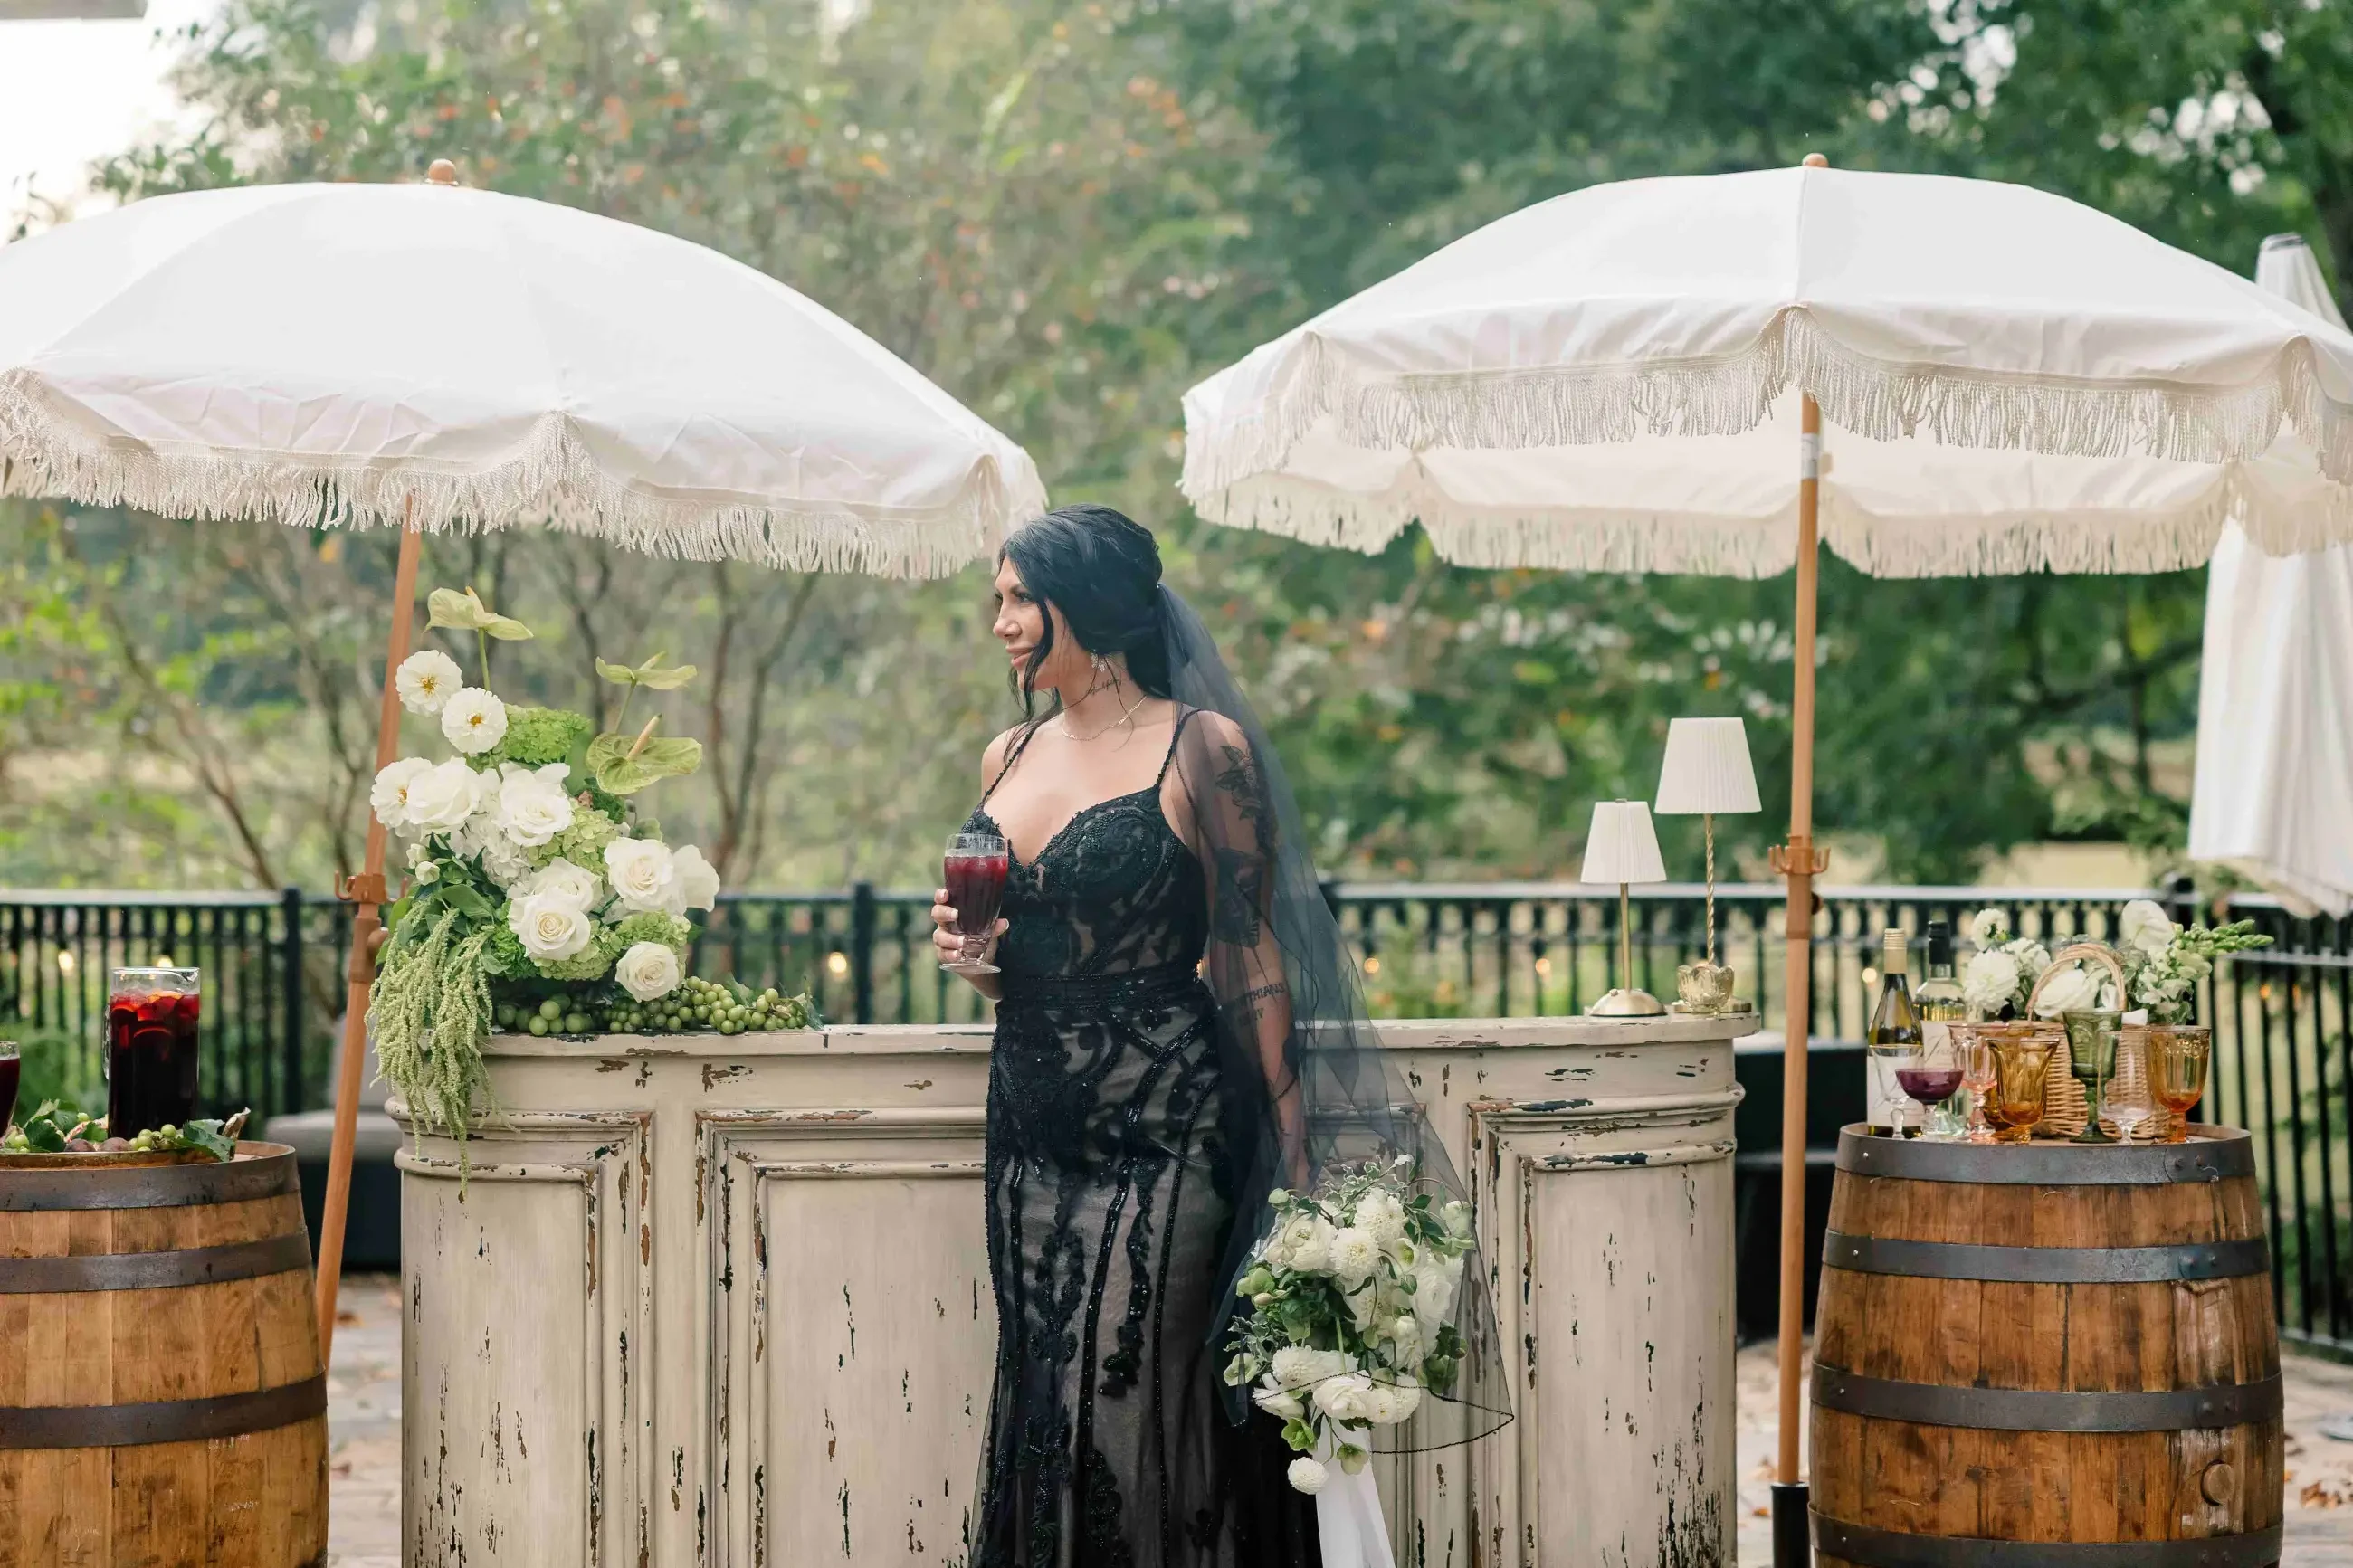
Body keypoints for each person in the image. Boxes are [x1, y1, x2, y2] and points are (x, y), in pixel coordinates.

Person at [933, 505, 1504, 1567]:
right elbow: (1022, 967)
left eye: (1019, 597)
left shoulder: (1204, 747)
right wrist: (978, 962)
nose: (1000, 622)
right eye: (998, 598)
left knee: (1137, 1397)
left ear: (1087, 604)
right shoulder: (1004, 752)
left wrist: (1289, 1150)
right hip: (1029, 1128)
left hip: (1167, 1125)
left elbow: (1249, 957)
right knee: (1046, 1398)